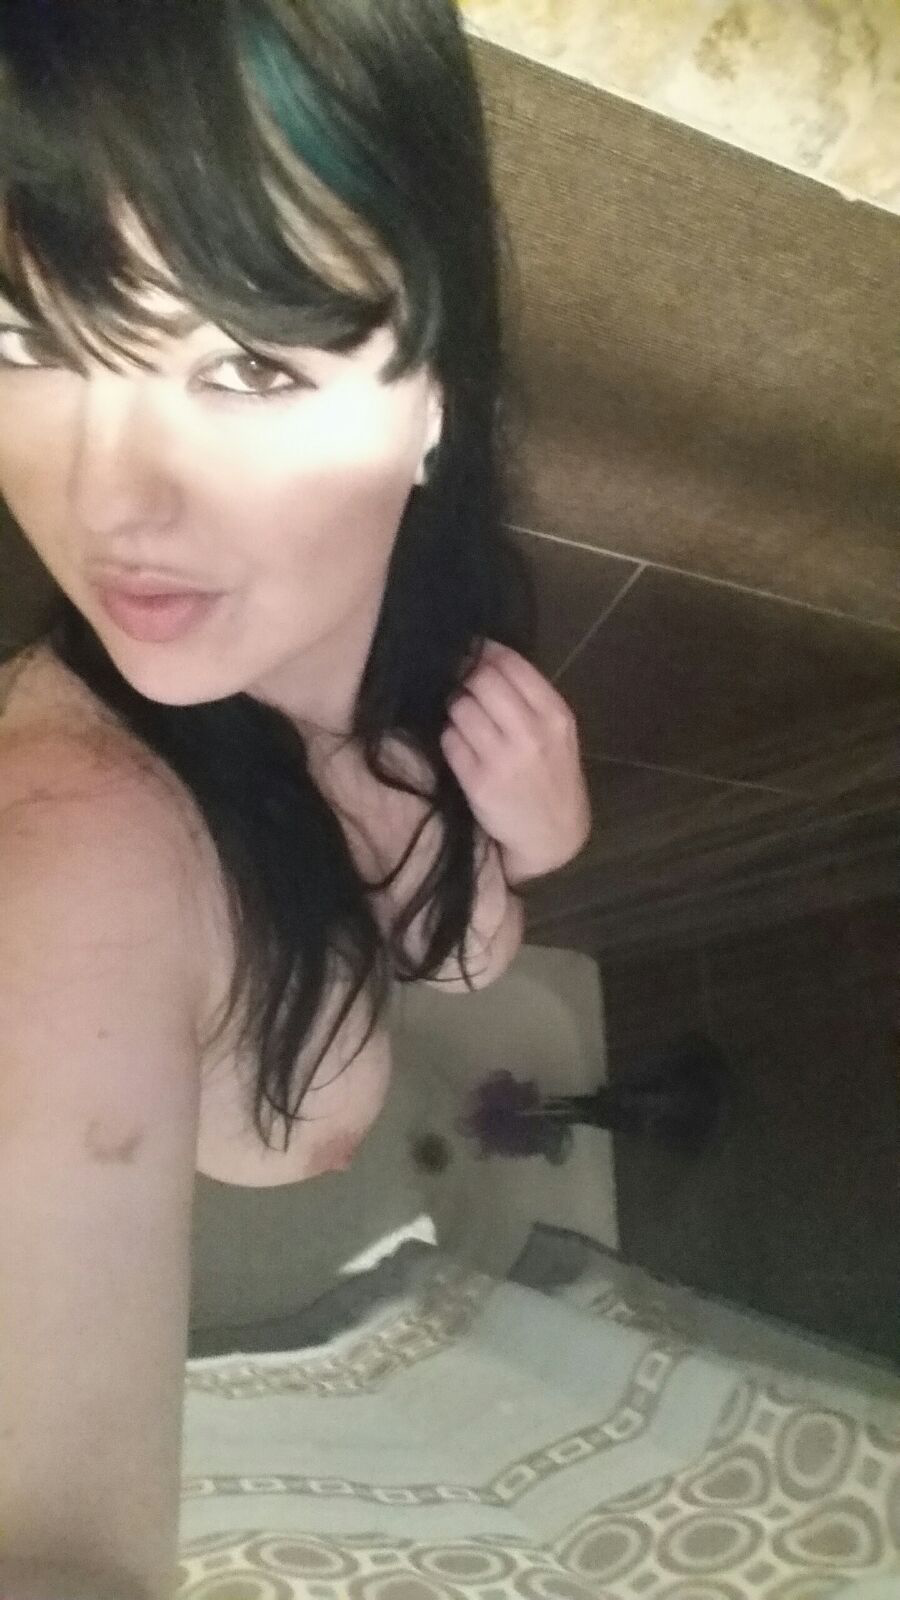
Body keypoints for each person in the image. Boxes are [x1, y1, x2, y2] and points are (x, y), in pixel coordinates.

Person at [0, 2, 591, 1595]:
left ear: (433, 398)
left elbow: (457, 958)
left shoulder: (434, 645)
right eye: (23, 338)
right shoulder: (78, 841)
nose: (108, 501)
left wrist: (540, 835)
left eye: (247, 362)